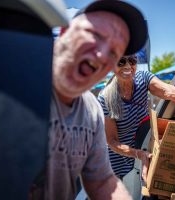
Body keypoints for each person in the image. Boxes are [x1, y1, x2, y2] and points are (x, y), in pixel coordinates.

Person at [29, 1, 148, 200]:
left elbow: (101, 181)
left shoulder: (91, 110)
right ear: (66, 31)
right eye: (95, 35)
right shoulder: (9, 80)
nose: (102, 55)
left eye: (113, 53)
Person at [98, 55, 175, 182]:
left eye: (132, 61)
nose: (128, 66)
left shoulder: (143, 78)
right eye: (121, 62)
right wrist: (138, 154)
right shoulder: (105, 98)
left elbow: (172, 93)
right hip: (119, 162)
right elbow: (112, 141)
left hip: (143, 150)